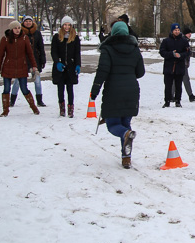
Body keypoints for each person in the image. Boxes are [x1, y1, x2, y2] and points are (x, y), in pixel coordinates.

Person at [90, 21, 145, 169]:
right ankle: (126, 158)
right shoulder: (135, 49)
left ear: (113, 33)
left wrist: (94, 91)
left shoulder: (107, 49)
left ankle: (126, 136)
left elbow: (102, 71)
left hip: (113, 91)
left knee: (114, 125)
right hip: (132, 91)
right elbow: (140, 72)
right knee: (125, 124)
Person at [0, 20, 39, 116]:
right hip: (8, 66)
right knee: (6, 89)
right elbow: (0, 54)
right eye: (15, 28)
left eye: (19, 28)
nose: (17, 30)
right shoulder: (5, 39)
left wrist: (34, 65)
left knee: (24, 89)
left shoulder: (24, 38)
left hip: (21, 66)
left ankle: (34, 107)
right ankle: (5, 110)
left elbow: (30, 53)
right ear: (11, 29)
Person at [11, 15, 47, 107]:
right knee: (17, 81)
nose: (28, 23)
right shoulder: (20, 33)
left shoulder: (37, 33)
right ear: (23, 22)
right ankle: (12, 100)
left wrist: (43, 59)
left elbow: (41, 47)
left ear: (32, 22)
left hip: (35, 60)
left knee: (37, 81)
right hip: (22, 60)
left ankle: (39, 100)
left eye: (29, 21)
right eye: (26, 21)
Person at [51, 16, 82, 118]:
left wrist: (78, 64)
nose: (67, 27)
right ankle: (62, 107)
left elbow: (77, 53)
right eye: (65, 25)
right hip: (60, 66)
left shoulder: (75, 38)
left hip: (71, 67)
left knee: (70, 88)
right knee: (60, 88)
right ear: (62, 25)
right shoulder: (56, 37)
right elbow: (54, 51)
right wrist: (57, 62)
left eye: (69, 25)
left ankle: (70, 108)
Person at [159, 23, 190, 107]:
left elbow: (187, 52)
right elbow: (162, 52)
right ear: (172, 31)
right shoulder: (166, 41)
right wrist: (171, 54)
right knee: (168, 85)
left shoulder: (184, 41)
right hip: (169, 66)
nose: (177, 32)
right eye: (175, 30)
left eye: (178, 30)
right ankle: (167, 100)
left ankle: (178, 100)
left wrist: (180, 55)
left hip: (179, 66)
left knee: (178, 85)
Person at [179, 26, 195, 102]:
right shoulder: (184, 41)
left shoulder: (183, 40)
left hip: (182, 63)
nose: (190, 34)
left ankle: (171, 95)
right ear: (185, 34)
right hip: (182, 63)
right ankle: (191, 96)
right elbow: (187, 52)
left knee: (178, 80)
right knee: (185, 80)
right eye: (189, 33)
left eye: (190, 33)